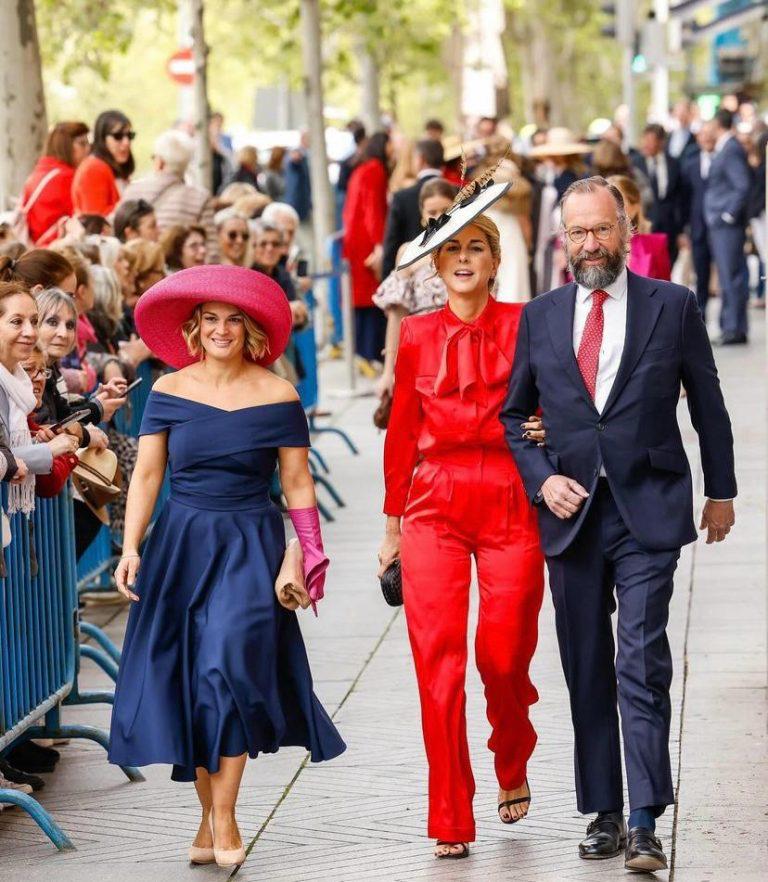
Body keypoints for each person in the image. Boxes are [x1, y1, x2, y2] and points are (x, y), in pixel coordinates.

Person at [501, 176, 736, 873]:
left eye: (601, 229)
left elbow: (710, 406)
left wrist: (721, 492)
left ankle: (643, 820)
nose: (590, 244)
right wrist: (544, 480)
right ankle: (602, 811)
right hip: (572, 518)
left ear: (626, 227)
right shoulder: (540, 317)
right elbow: (516, 417)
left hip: (649, 510)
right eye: (577, 232)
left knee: (639, 660)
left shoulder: (673, 306)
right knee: (586, 668)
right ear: (562, 238)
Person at [108, 265, 345, 869]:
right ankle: (207, 814)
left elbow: (295, 482)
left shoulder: (279, 395)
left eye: (231, 320)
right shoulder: (166, 392)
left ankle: (227, 813)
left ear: (251, 330)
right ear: (193, 329)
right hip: (181, 545)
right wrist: (131, 547)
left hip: (251, 544)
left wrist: (310, 554)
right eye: (209, 320)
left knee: (227, 669)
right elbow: (147, 475)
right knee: (191, 683)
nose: (219, 329)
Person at [378, 180, 546, 861]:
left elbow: (563, 399)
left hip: (511, 498)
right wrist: (390, 529)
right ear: (437, 265)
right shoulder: (416, 334)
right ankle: (450, 810)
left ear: (495, 260)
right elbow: (400, 436)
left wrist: (547, 429)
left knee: (503, 655)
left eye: (478, 246)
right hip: (433, 506)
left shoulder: (529, 323)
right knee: (437, 666)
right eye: (453, 249)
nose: (465, 257)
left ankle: (513, 752)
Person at [0, 281, 79, 516]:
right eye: (17, 322)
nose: (30, 332)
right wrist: (50, 450)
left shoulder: (19, 387)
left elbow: (47, 482)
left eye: (34, 321)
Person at [373, 178, 456, 398]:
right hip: (421, 351)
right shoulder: (408, 252)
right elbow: (397, 313)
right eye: (432, 212)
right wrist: (388, 370)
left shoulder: (470, 251)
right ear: (422, 216)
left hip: (462, 348)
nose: (439, 217)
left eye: (445, 210)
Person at [121, 130, 218, 260]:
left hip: (138, 265)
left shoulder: (132, 191)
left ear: (160, 162)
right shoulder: (199, 197)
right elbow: (211, 251)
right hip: (180, 276)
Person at [342, 131, 391, 374]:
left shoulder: (362, 169)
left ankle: (362, 351)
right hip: (366, 243)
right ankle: (369, 352)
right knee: (372, 298)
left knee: (361, 299)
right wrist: (380, 244)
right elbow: (373, 209)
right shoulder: (375, 170)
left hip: (355, 241)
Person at [704, 108, 752, 345]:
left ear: (717, 123)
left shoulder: (730, 148)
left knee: (731, 275)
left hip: (726, 226)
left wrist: (728, 215)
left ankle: (734, 328)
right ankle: (730, 326)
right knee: (727, 275)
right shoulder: (725, 147)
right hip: (721, 225)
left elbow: (742, 185)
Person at [381, 139, 444, 279]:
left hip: (413, 277)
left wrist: (386, 279)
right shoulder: (461, 193)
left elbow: (391, 243)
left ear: (420, 159)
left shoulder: (401, 197)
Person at [20, 121, 90, 245]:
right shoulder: (66, 176)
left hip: (36, 247)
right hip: (55, 248)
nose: (88, 149)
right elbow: (80, 216)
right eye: (82, 144)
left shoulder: (40, 172)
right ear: (66, 146)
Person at [631, 123, 684, 267]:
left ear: (661, 142)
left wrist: (681, 229)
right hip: (644, 225)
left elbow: (680, 198)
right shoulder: (635, 164)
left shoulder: (674, 164)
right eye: (645, 140)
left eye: (651, 140)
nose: (646, 144)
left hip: (669, 226)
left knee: (667, 266)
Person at [680, 121, 716, 316]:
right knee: (701, 276)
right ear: (698, 139)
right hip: (698, 229)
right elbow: (685, 199)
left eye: (711, 134)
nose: (707, 138)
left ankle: (729, 324)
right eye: (703, 135)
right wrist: (685, 229)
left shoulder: (722, 160)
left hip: (720, 228)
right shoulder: (690, 165)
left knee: (726, 276)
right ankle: (701, 319)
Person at [72, 110, 136, 217]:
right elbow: (96, 220)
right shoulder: (93, 168)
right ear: (102, 139)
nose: (126, 142)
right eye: (118, 136)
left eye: (129, 135)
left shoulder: (114, 168)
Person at [608, 175, 671, 280]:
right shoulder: (591, 247)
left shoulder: (656, 245)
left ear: (635, 208)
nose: (611, 210)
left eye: (618, 204)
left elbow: (666, 292)